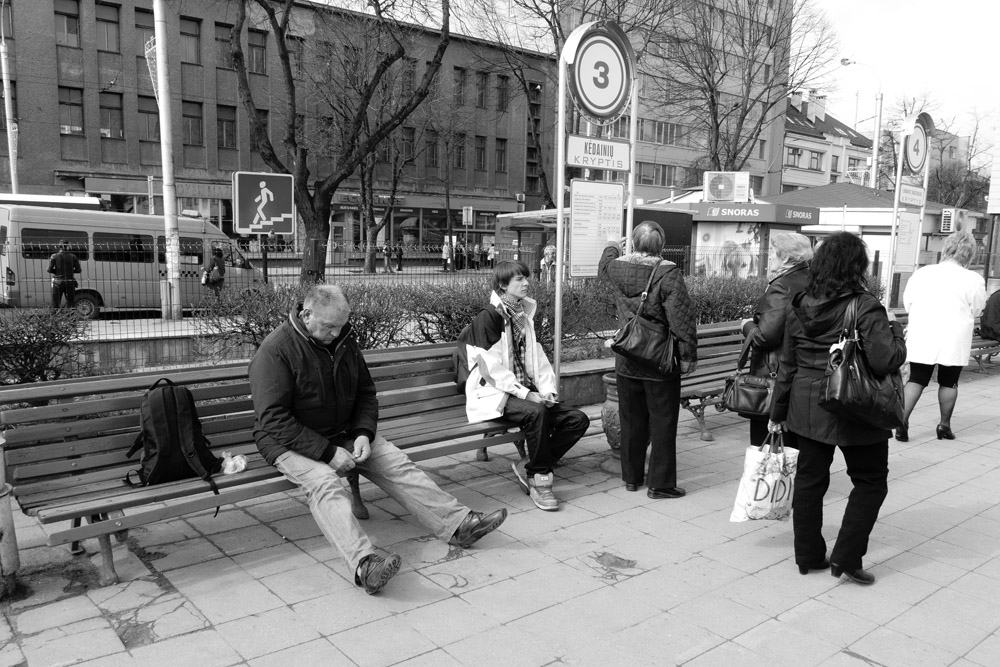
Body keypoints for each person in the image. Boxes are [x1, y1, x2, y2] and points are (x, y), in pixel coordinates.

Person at [249, 285, 508, 594]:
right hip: (286, 441)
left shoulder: (344, 340)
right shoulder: (275, 350)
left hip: (343, 432)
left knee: (396, 464)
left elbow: (365, 393)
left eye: (341, 325)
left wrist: (363, 432)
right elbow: (273, 419)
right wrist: (327, 452)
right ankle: (365, 566)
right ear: (306, 315)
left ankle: (459, 525)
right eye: (329, 326)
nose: (335, 333)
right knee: (325, 483)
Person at [769, 232, 906, 585]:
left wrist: (777, 414)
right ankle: (847, 557)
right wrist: (896, 331)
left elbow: (787, 364)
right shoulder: (865, 306)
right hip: (855, 404)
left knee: (810, 481)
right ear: (857, 266)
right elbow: (884, 360)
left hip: (807, 403)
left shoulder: (800, 303)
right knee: (870, 481)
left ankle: (808, 555)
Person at [458, 260, 590, 511]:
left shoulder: (522, 315)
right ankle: (539, 478)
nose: (526, 283)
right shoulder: (489, 317)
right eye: (519, 279)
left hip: (521, 391)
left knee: (577, 420)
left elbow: (538, 360)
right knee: (536, 413)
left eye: (526, 278)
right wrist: (528, 394)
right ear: (502, 285)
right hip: (493, 393)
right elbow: (490, 369)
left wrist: (547, 391)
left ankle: (529, 462)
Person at [599, 221, 698, 499]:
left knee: (632, 421)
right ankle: (660, 484)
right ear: (662, 245)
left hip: (627, 357)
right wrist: (687, 356)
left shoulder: (616, 268)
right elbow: (681, 319)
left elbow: (603, 267)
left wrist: (611, 245)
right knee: (663, 422)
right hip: (660, 360)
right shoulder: (668, 273)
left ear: (633, 243)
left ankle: (632, 478)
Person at [896, 231, 986, 441]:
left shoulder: (922, 273)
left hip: (923, 333)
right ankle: (944, 425)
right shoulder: (973, 279)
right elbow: (977, 309)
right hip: (954, 336)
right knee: (949, 382)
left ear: (946, 248)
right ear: (969, 253)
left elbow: (908, 303)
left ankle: (901, 423)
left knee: (917, 379)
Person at [740, 233, 813, 446]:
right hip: (804, 374)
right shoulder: (812, 279)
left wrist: (746, 326)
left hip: (776, 379)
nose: (770, 256)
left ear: (786, 257)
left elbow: (765, 337)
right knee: (794, 446)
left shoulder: (782, 286)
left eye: (773, 252)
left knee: (767, 447)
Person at [48, 240, 81, 309]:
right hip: (70, 281)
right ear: (68, 246)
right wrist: (69, 271)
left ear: (59, 247)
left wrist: (57, 271)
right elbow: (78, 270)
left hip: (58, 281)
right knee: (71, 304)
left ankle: (54, 314)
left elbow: (49, 270)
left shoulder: (54, 256)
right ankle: (70, 315)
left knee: (55, 303)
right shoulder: (73, 256)